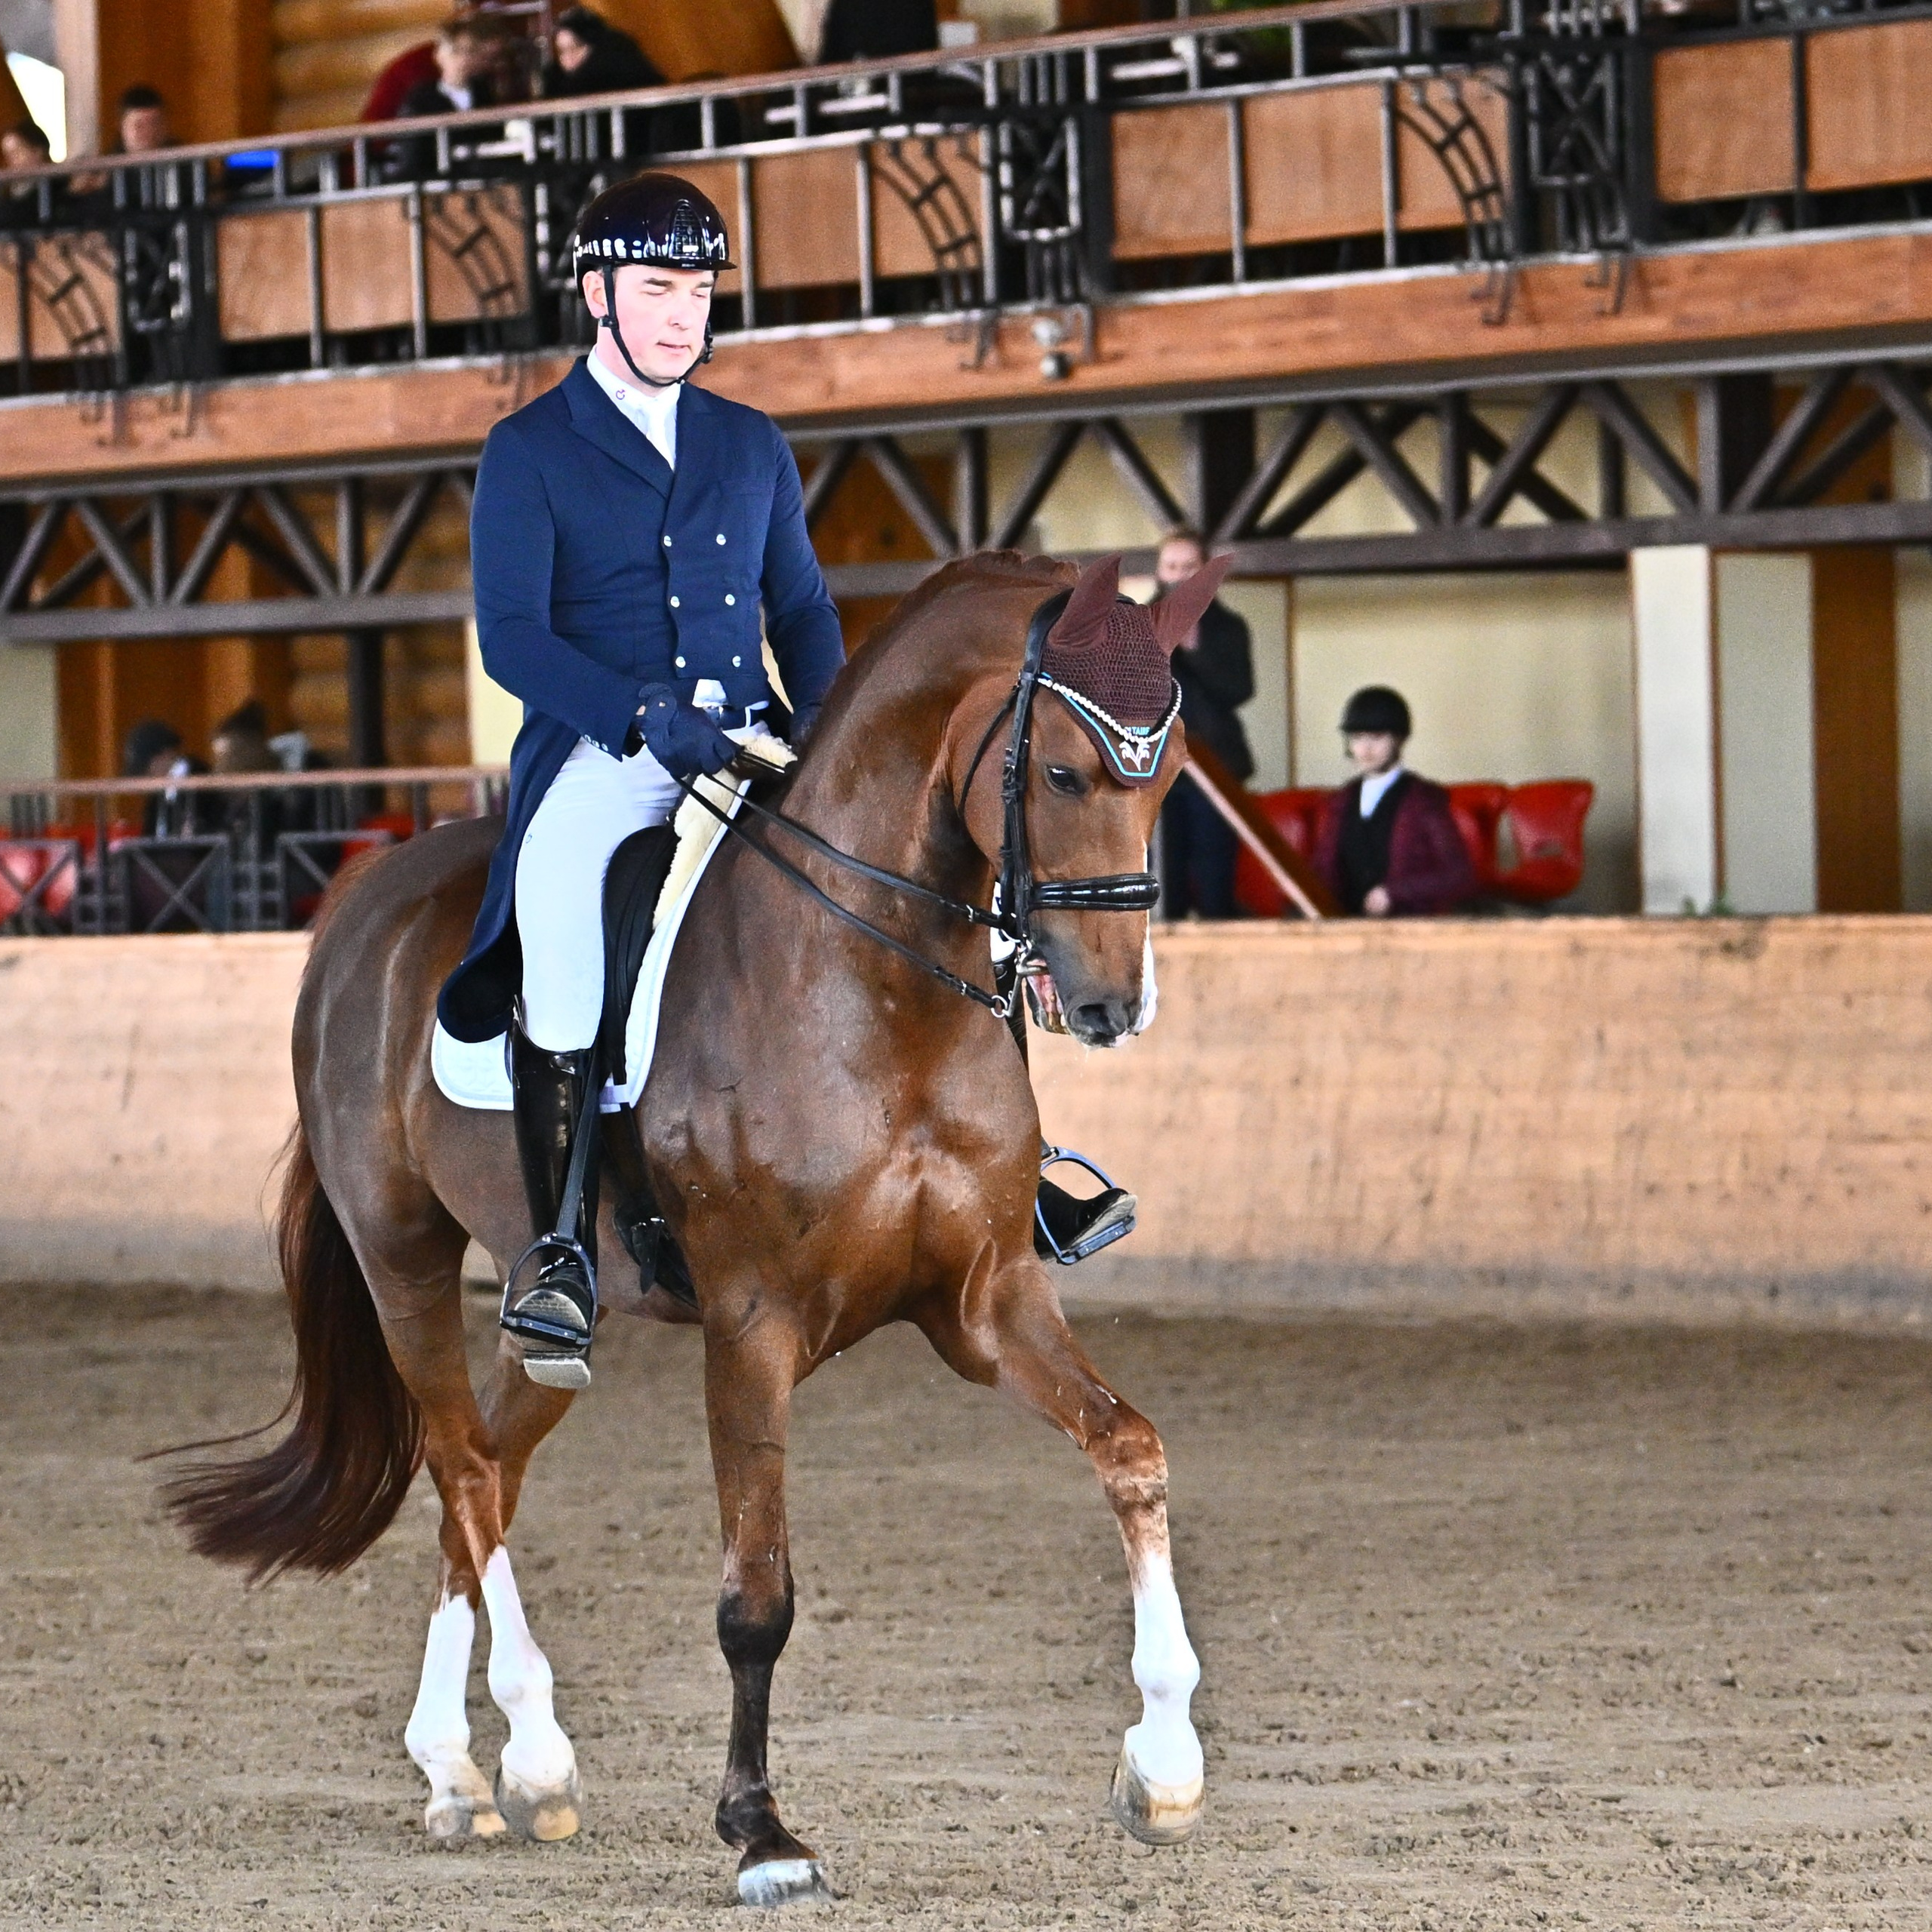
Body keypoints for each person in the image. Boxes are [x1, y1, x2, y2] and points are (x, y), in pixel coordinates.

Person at [1153, 529, 1253, 920]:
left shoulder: (1228, 627)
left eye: (1189, 567)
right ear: (1160, 571)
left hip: (1215, 768)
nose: (1179, 576)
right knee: (1163, 878)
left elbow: (1240, 691)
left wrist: (1194, 648)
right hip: (1156, 770)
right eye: (1171, 566)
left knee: (1215, 878)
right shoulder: (1138, 622)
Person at [1313, 685, 1475, 918]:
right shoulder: (1339, 802)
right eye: (1358, 738)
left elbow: (1460, 876)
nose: (1366, 748)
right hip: (1344, 927)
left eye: (1378, 737)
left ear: (1399, 739)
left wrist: (1394, 893)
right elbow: (1323, 870)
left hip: (1406, 928)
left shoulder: (1424, 800)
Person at [385, 17, 510, 179]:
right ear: (439, 56)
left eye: (470, 51)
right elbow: (414, 151)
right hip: (434, 179)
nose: (463, 59)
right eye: (456, 51)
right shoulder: (422, 98)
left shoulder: (484, 93)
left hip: (482, 177)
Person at [540, 7, 663, 154]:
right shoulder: (557, 83)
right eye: (562, 51)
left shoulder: (619, 68)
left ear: (595, 44)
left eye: (577, 47)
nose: (569, 57)